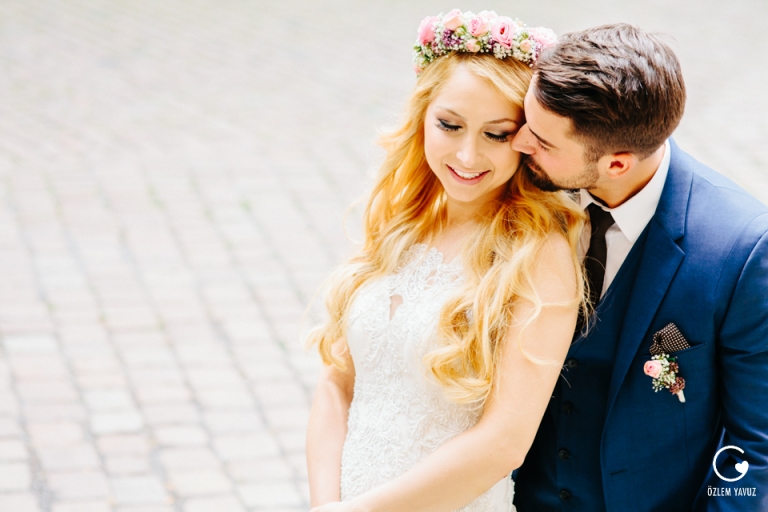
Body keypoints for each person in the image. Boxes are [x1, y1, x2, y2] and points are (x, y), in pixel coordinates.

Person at [305, 10, 586, 511]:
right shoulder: (398, 220)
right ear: (423, 116)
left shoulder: (540, 252)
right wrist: (326, 504)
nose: (468, 155)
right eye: (450, 125)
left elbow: (503, 444)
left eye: (496, 134)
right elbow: (336, 382)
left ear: (525, 139)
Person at [511, 23, 768, 512]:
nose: (520, 142)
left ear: (616, 163)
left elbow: (756, 444)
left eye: (543, 141)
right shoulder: (527, 195)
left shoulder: (741, 248)